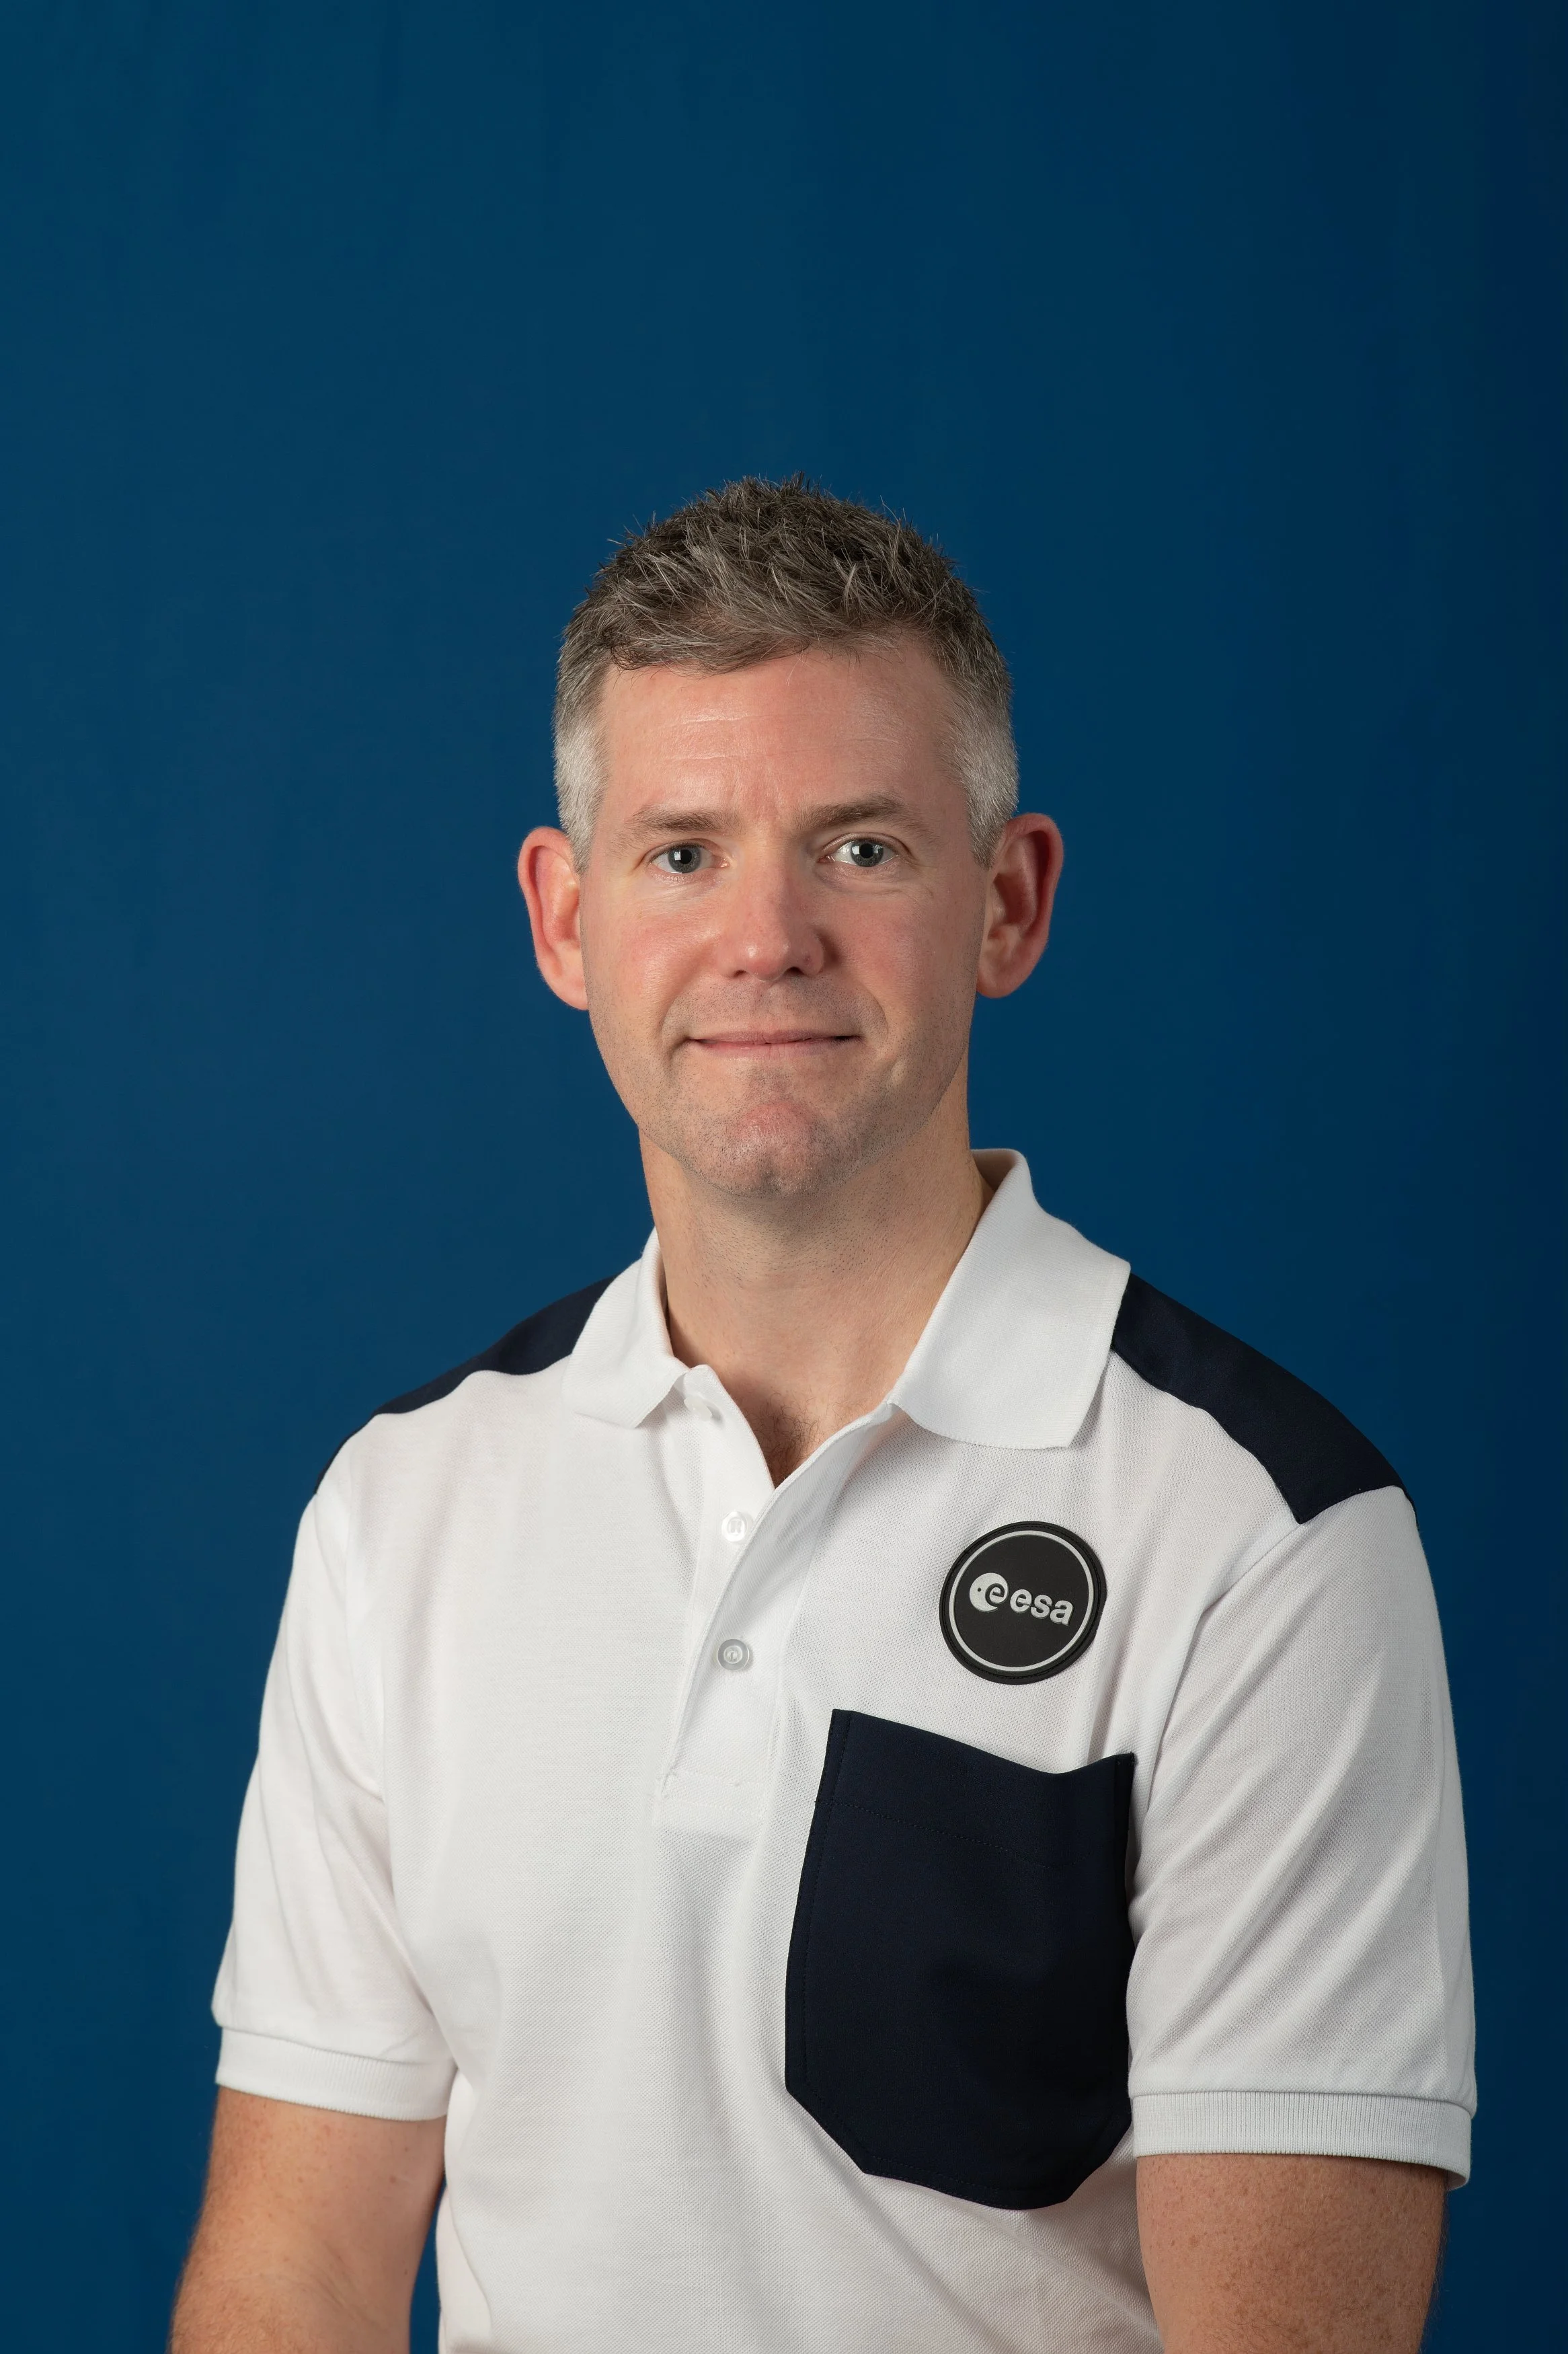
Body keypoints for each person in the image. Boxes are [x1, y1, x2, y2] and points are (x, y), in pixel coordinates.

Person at [171, 478, 1473, 2354]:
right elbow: (293, 2269)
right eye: (680, 851)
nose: (763, 934)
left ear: (1006, 900)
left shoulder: (1260, 1538)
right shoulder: (404, 1509)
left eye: (857, 847)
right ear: (565, 920)